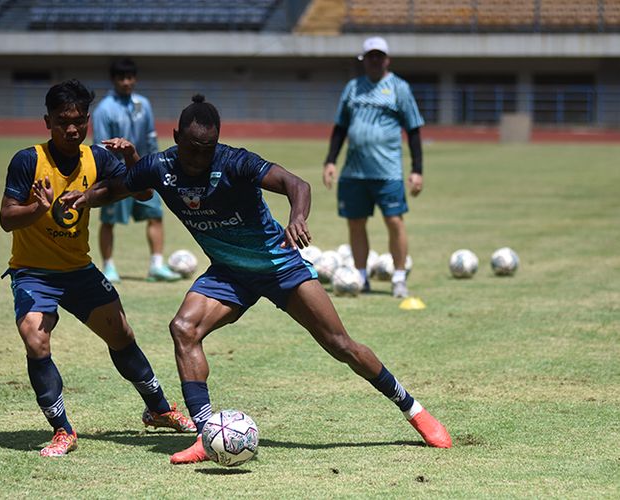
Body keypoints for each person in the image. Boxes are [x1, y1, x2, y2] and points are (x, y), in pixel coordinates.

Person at [65, 95, 452, 464]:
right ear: (177, 137)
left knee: (340, 344)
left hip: (278, 266)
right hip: (230, 273)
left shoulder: (235, 162)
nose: (202, 155)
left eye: (209, 147)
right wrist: (85, 198)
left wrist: (297, 217)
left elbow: (297, 185)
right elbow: (119, 187)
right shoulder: (161, 166)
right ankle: (205, 434)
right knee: (183, 328)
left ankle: (413, 410)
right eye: (194, 146)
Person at [0, 79, 194, 458]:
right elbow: (7, 218)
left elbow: (142, 193)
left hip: (78, 270)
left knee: (121, 336)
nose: (72, 129)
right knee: (35, 338)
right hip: (33, 272)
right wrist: (37, 209)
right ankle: (62, 430)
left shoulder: (97, 159)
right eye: (62, 121)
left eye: (79, 120)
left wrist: (133, 158)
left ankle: (159, 409)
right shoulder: (28, 161)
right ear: (47, 121)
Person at [322, 36, 425, 298]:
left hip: (387, 171)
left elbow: (413, 129)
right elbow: (340, 128)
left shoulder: (399, 88)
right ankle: (361, 276)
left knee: (394, 221)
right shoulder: (353, 88)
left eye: (380, 56)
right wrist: (331, 160)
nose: (375, 60)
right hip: (354, 171)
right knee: (356, 223)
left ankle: (399, 277)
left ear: (387, 59)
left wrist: (417, 170)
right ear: (364, 60)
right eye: (370, 56)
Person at [92, 57, 181, 283]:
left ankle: (156, 265)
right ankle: (109, 267)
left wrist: (157, 168)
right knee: (109, 220)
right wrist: (106, 175)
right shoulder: (104, 109)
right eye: (121, 77)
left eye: (130, 77)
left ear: (135, 79)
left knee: (155, 215)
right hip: (116, 173)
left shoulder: (144, 104)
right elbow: (100, 145)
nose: (126, 82)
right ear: (114, 79)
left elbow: (151, 136)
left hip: (145, 169)